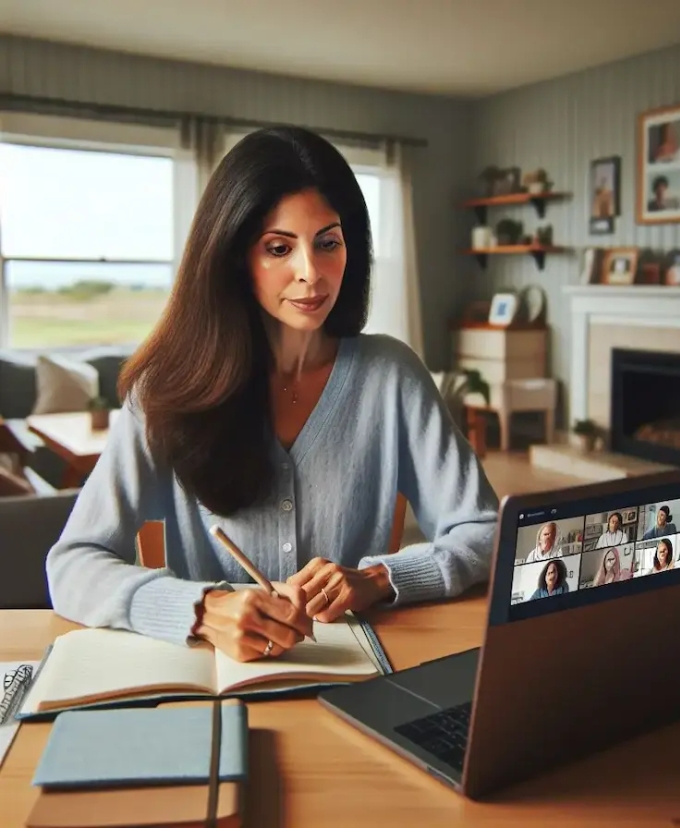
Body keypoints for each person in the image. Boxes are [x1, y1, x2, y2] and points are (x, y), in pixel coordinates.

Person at [45, 126, 500, 663]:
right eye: (280, 247)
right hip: (212, 692)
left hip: (356, 684)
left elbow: (488, 532)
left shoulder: (391, 376)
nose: (311, 273)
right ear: (237, 256)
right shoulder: (166, 390)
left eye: (328, 242)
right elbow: (73, 564)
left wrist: (381, 577)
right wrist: (201, 610)